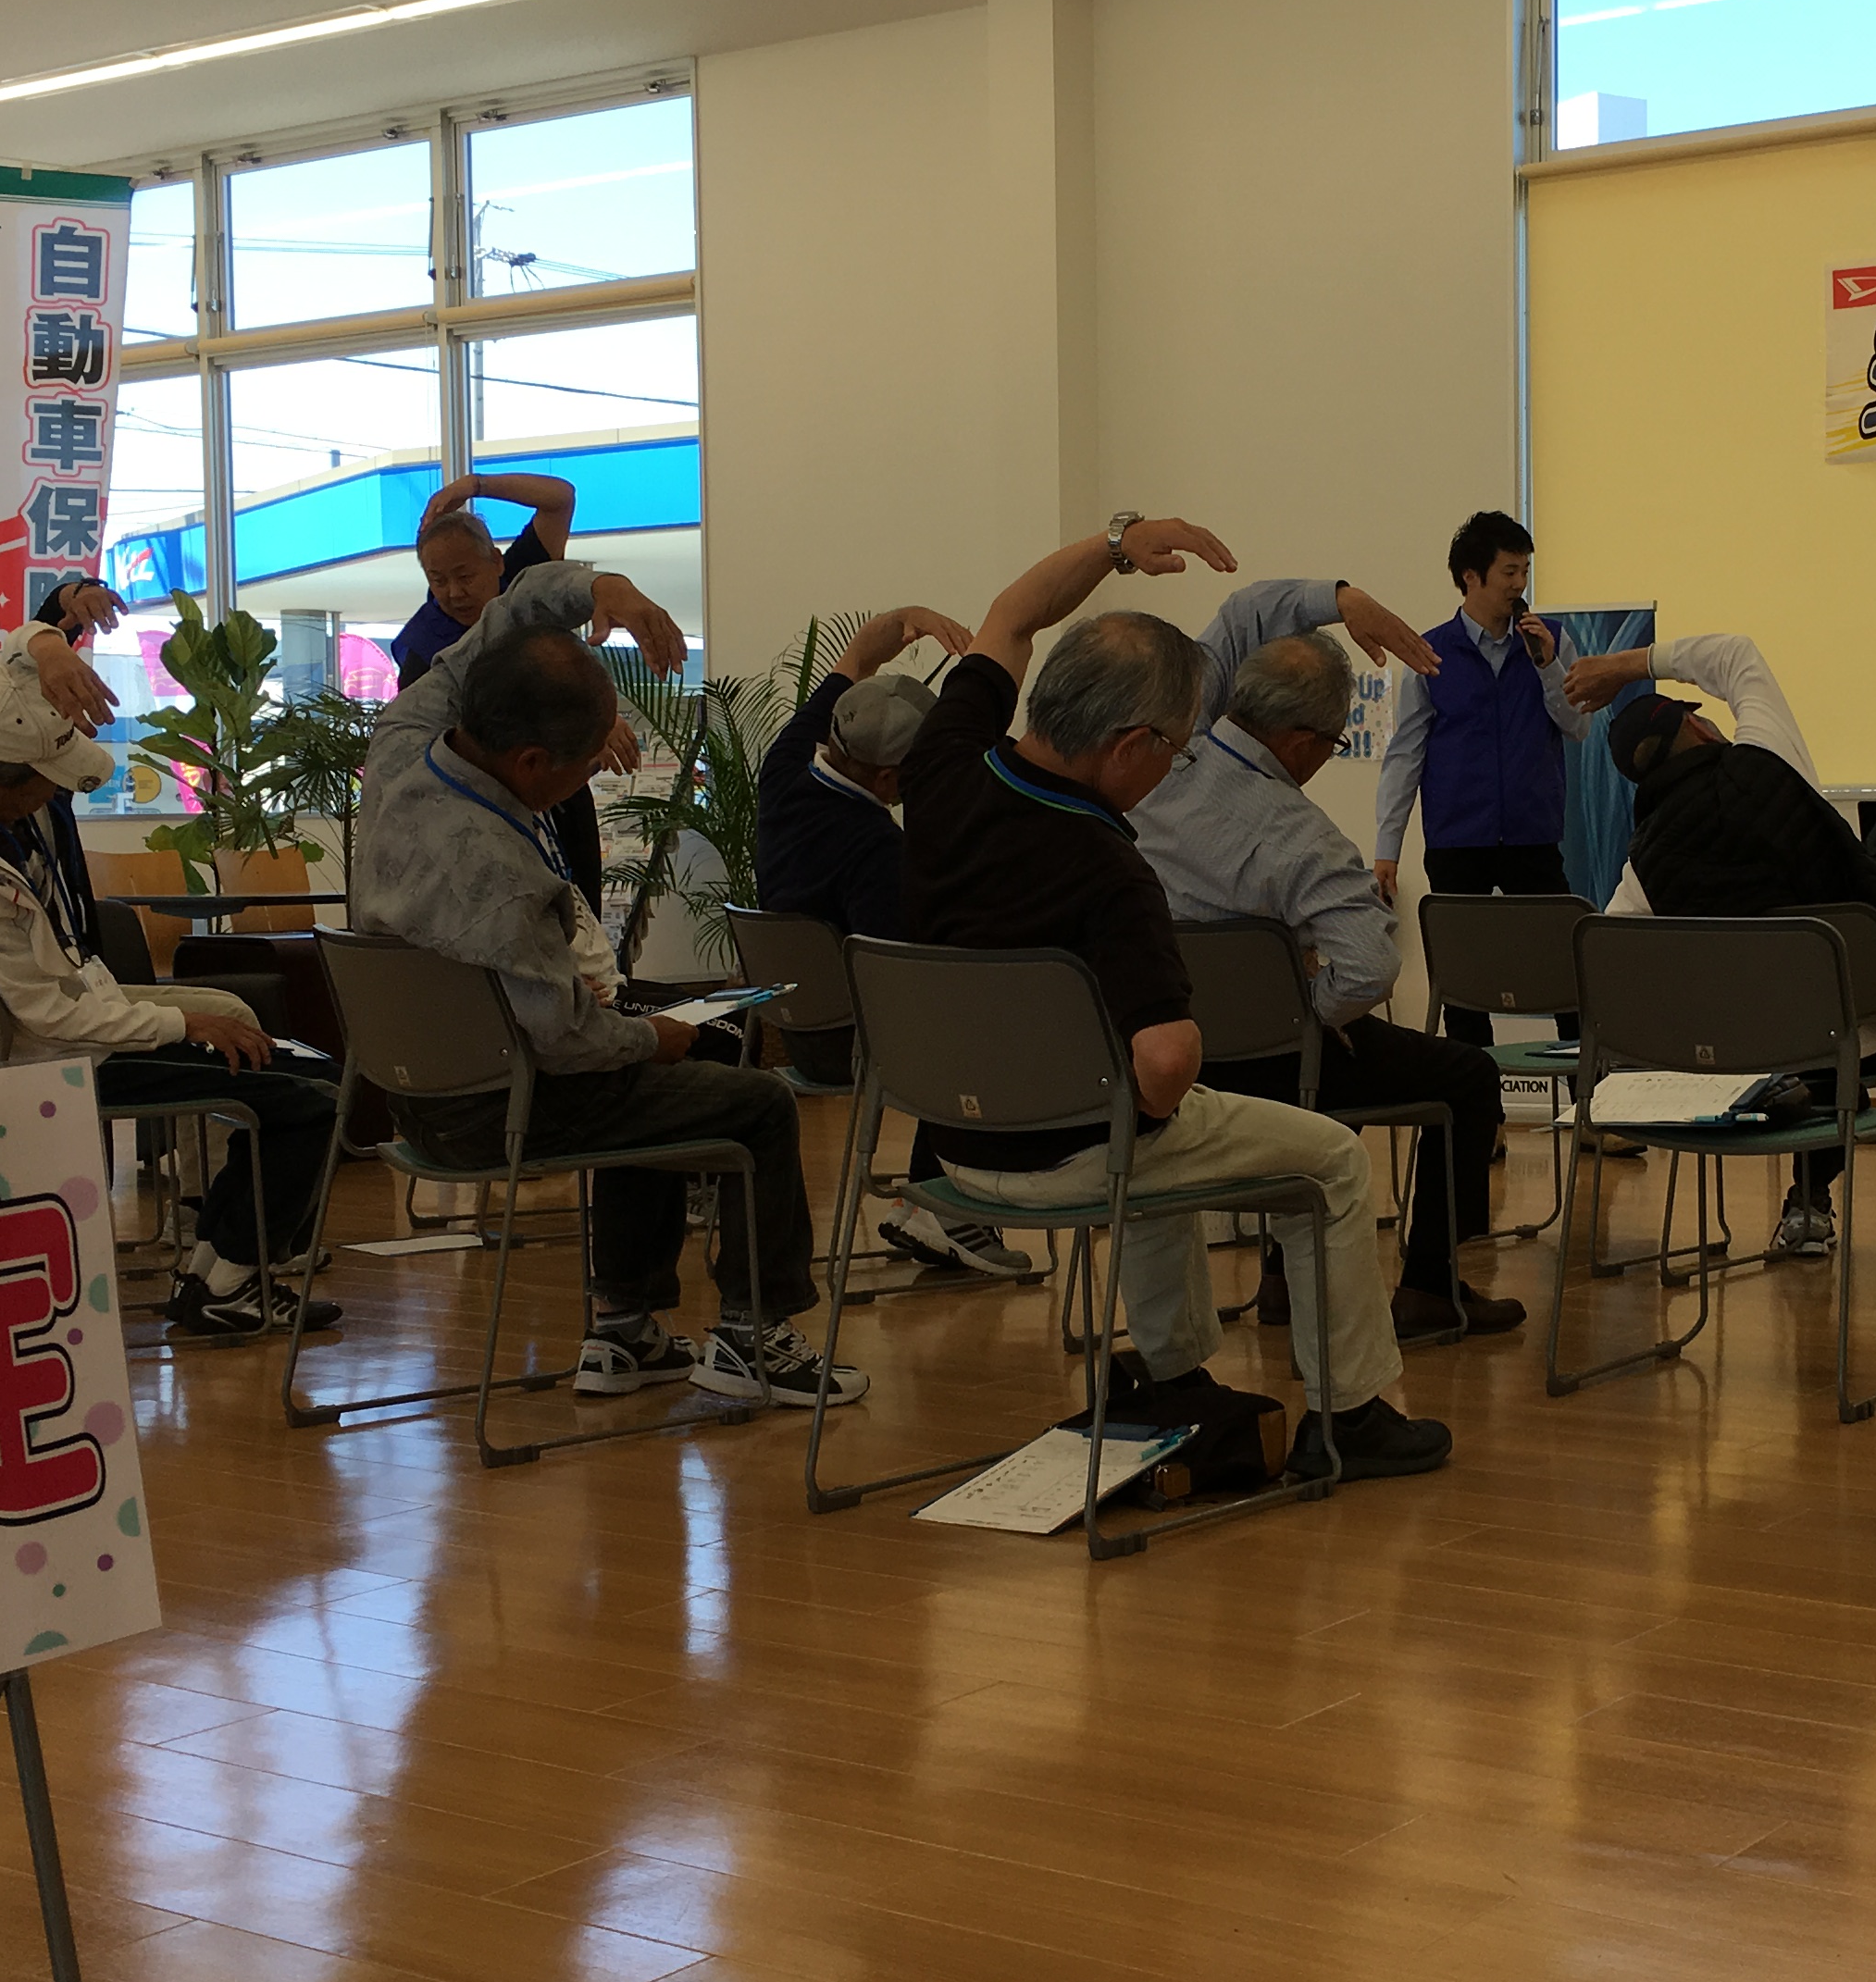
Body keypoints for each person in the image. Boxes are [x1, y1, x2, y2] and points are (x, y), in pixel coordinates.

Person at [905, 515, 1453, 1480]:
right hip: (1071, 1159)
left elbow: (1011, 614)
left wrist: (1116, 545)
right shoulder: (1109, 870)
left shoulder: (943, 764)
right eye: (1172, 747)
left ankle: (1175, 1373)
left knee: (1152, 1130)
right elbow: (1163, 1064)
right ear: (1129, 746)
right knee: (1321, 1160)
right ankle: (1352, 1415)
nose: (1177, 765)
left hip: (954, 1149)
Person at [354, 553, 860, 1409]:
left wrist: (603, 593)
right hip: (496, 1109)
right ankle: (753, 1337)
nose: (595, 772)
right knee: (753, 1101)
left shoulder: (405, 740)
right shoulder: (505, 877)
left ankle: (626, 1330)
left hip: (415, 1091)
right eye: (587, 762)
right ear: (530, 761)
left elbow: (507, 617)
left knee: (650, 1069)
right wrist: (650, 1038)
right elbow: (570, 1042)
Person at [0, 585, 342, 1337]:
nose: (57, 793)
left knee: (265, 1049)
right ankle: (229, 1277)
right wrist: (182, 1023)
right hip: (61, 1054)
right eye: (48, 780)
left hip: (70, 1014)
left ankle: (217, 1270)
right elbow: (53, 1019)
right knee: (312, 1089)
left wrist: (48, 635)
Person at [1133, 577, 1529, 1342]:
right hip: (1274, 1065)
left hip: (1166, 1050)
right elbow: (1369, 970)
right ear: (1300, 743)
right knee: (1467, 1077)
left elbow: (1239, 615)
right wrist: (1308, 1006)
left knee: (1303, 1065)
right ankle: (1429, 1285)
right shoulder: (1304, 839)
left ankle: (1283, 1278)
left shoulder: (1165, 759)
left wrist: (1342, 600)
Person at [1579, 632, 1876, 1259]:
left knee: (1806, 1027)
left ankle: (1807, 1206)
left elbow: (1610, 965)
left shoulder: (1643, 869)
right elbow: (1737, 655)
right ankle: (1823, 1198)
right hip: (1860, 1033)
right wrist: (1625, 665)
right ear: (1699, 726)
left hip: (1731, 1057)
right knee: (1839, 1028)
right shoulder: (1770, 759)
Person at [747, 600, 1038, 1281]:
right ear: (886, 780)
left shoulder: (786, 767)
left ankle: (931, 1202)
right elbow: (902, 972)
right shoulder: (874, 848)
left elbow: (853, 661)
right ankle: (945, 1207)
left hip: (792, 1023)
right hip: (845, 1045)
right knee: (976, 1016)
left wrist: (903, 619)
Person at [1371, 510, 1590, 1047]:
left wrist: (1547, 666)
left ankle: (1586, 1093)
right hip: (1457, 838)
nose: (1520, 584)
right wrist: (1387, 848)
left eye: (1525, 571)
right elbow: (1406, 753)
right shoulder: (1429, 653)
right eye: (1509, 571)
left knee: (1564, 970)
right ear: (1471, 576)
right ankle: (1475, 1095)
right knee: (1464, 985)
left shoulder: (1552, 642)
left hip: (1533, 835)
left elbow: (1577, 725)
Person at [391, 472, 633, 913]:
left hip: (563, 795)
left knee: (582, 922)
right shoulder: (424, 653)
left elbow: (560, 498)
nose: (454, 593)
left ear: (497, 562)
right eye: (438, 580)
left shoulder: (524, 591)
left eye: (465, 575)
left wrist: (474, 485)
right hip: (488, 816)